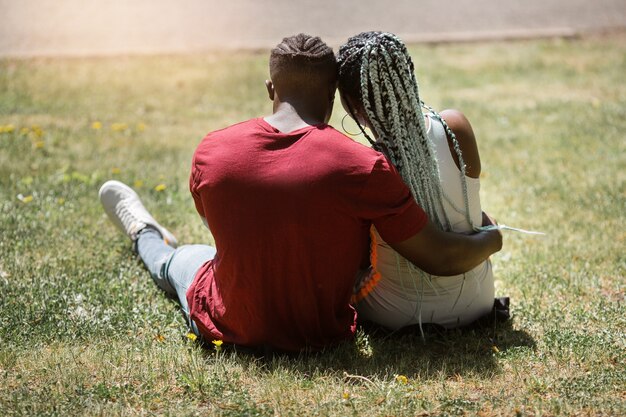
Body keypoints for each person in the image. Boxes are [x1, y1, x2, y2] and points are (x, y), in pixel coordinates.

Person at [99, 33, 502, 353]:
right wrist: (493, 235)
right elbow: (434, 254)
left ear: (270, 87)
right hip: (320, 329)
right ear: (331, 96)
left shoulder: (212, 149)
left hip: (230, 318)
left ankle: (146, 235)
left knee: (180, 260)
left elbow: (219, 231)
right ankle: (153, 238)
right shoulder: (362, 166)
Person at [337, 31, 498, 331]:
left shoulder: (367, 166)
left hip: (399, 315)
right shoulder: (455, 128)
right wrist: (492, 235)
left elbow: (357, 257)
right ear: (409, 78)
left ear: (351, 105)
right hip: (480, 300)